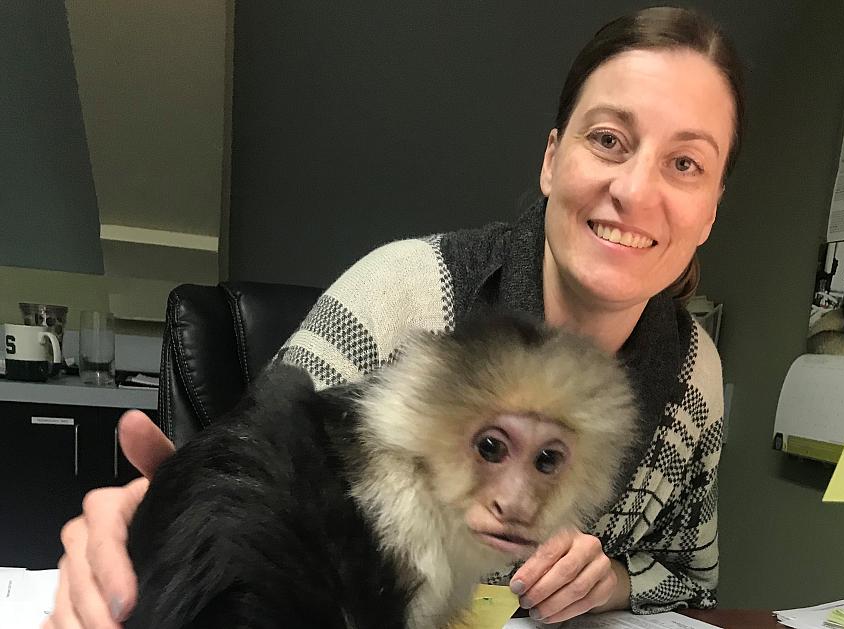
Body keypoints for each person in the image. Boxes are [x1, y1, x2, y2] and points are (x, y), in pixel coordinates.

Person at [44, 6, 744, 628]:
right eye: (610, 140)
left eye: (685, 163)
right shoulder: (408, 292)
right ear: (553, 159)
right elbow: (253, 471)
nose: (635, 189)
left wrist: (615, 580)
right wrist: (138, 524)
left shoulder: (694, 373)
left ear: (712, 208)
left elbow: (693, 576)